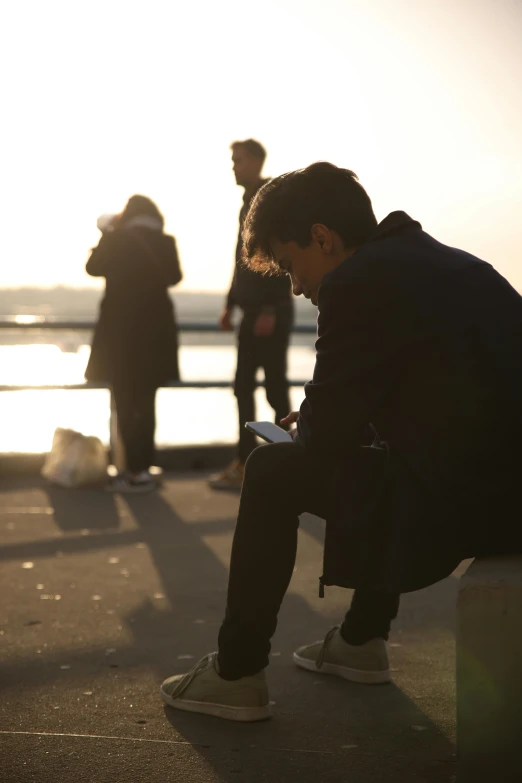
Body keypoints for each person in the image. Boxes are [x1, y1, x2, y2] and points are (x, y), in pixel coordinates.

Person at [160, 162, 522, 721]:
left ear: (322, 238)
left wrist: (315, 422)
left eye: (290, 265)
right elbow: (441, 400)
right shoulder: (449, 264)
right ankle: (359, 641)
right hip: (504, 494)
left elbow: (328, 440)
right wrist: (339, 415)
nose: (298, 286)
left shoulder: (359, 280)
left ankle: (234, 673)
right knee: (385, 454)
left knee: (271, 471)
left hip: (472, 505)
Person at [208, 139, 293, 490]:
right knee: (243, 387)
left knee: (274, 390)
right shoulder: (249, 201)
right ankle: (246, 463)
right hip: (251, 311)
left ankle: (287, 462)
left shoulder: (271, 199)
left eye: (238, 160)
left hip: (268, 312)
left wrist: (271, 308)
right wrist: (230, 303)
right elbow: (242, 260)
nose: (233, 166)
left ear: (256, 161)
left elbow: (279, 255)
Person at [85, 195, 182, 492]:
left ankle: (134, 472)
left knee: (125, 401)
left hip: (121, 332)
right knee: (147, 401)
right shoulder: (165, 241)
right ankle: (145, 468)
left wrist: (106, 234)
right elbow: (175, 276)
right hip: (156, 332)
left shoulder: (118, 240)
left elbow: (93, 267)